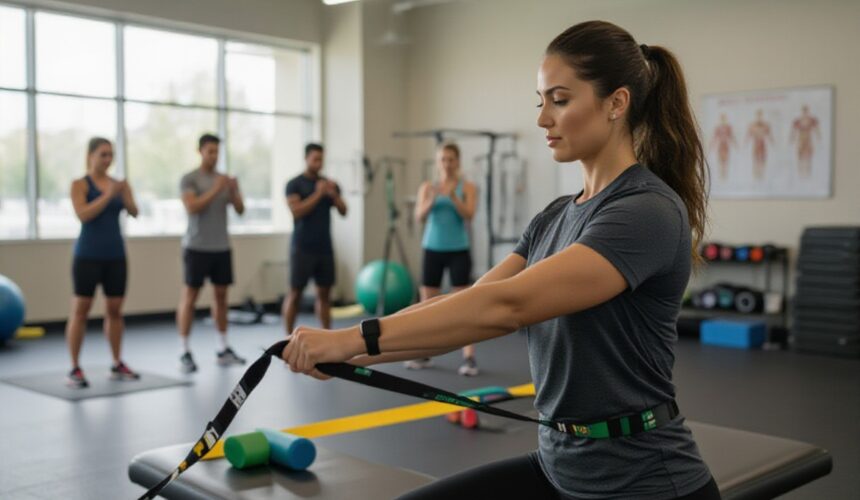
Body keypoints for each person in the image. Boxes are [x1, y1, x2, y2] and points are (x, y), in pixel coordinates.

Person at [280, 20, 721, 500]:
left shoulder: (645, 211)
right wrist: (351, 352)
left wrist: (348, 339)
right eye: (541, 101)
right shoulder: (554, 216)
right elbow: (473, 302)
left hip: (644, 482)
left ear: (617, 102)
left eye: (560, 99)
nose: (543, 119)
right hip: (560, 467)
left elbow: (507, 307)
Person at [66, 137, 140, 388]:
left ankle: (117, 362)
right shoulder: (80, 184)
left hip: (115, 256)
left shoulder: (118, 185)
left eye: (111, 155)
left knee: (115, 310)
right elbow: (83, 214)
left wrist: (125, 194)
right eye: (103, 155)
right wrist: (109, 194)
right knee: (81, 310)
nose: (108, 160)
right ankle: (75, 368)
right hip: (87, 256)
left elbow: (134, 211)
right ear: (91, 156)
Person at [176, 134, 246, 373]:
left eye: (217, 151)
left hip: (221, 247)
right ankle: (184, 350)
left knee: (221, 298)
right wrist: (218, 188)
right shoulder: (190, 179)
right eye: (210, 151)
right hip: (196, 247)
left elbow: (240, 209)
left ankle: (223, 348)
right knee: (190, 298)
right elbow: (192, 207)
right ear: (200, 151)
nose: (214, 156)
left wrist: (234, 191)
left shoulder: (225, 180)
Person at [409, 142, 480, 376]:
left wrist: (453, 198)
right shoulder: (427, 187)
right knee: (426, 305)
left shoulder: (467, 187)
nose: (447, 164)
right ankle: (424, 352)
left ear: (457, 162)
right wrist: (431, 199)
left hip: (458, 249)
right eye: (443, 159)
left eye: (451, 159)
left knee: (463, 304)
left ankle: (469, 357)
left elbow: (469, 215)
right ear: (437, 162)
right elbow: (419, 216)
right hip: (432, 248)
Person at [282, 143, 348, 336]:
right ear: (306, 159)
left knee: (325, 296)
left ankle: (327, 339)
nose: (319, 163)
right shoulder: (294, 184)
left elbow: (344, 211)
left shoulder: (329, 184)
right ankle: (287, 340)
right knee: (295, 294)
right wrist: (318, 194)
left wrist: (333, 195)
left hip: (324, 248)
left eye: (321, 159)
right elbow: (296, 212)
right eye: (315, 159)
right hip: (302, 248)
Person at [790, 105, 820, 178]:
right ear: (802, 112)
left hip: (808, 139)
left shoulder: (812, 120)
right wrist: (792, 138)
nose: (805, 113)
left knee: (808, 156)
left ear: (808, 111)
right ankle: (800, 173)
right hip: (801, 139)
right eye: (804, 111)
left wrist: (818, 136)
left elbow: (816, 129)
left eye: (806, 111)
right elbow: (794, 130)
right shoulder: (798, 120)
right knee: (800, 156)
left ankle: (808, 173)